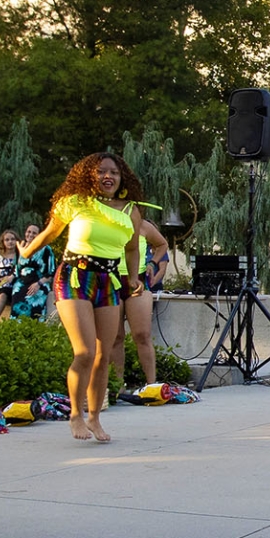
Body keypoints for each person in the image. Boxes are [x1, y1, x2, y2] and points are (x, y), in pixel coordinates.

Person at [20, 155, 147, 442]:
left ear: (121, 178)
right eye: (101, 171)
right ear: (89, 176)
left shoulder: (130, 211)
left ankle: (94, 417)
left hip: (108, 281)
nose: (108, 176)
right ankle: (75, 414)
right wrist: (26, 252)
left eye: (114, 172)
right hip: (75, 277)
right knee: (85, 353)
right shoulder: (74, 202)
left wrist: (133, 278)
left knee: (104, 355)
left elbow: (131, 248)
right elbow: (51, 234)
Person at [104, 167, 172, 395]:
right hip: (111, 278)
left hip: (137, 281)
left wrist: (153, 264)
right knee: (115, 336)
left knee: (142, 334)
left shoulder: (143, 225)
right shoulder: (106, 221)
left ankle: (151, 384)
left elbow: (162, 244)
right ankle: (117, 386)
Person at [10, 221, 57, 320]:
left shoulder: (46, 249)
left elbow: (51, 272)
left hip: (39, 282)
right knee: (17, 292)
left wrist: (38, 283)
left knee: (36, 298)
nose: (30, 234)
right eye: (29, 232)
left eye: (34, 233)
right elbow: (16, 269)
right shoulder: (20, 248)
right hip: (21, 283)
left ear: (39, 235)